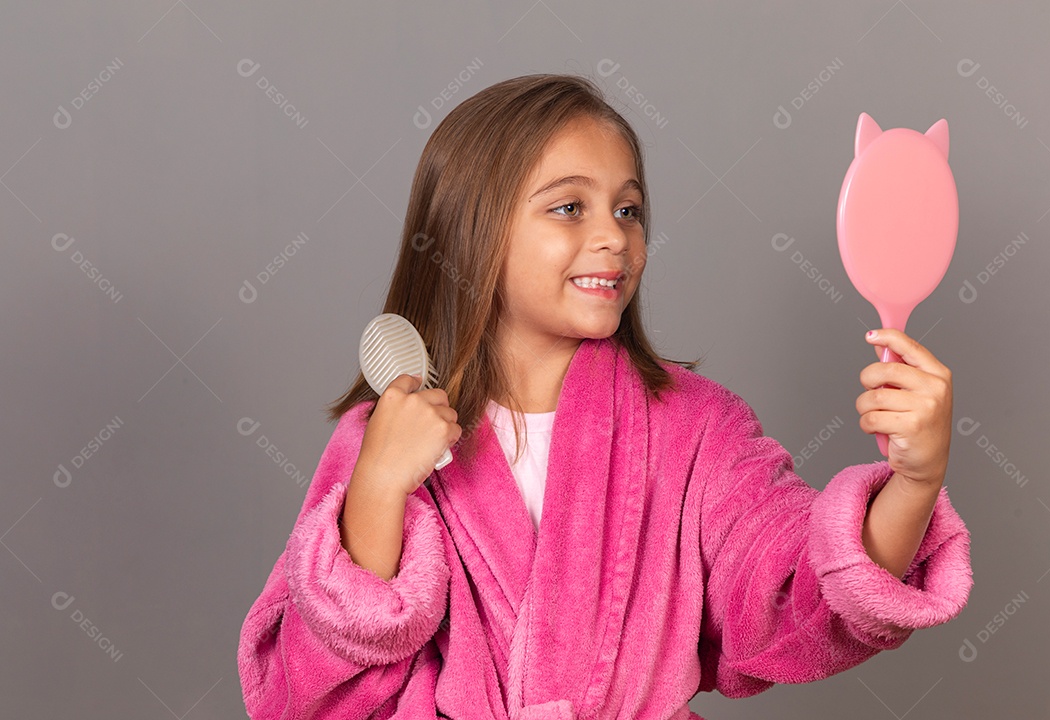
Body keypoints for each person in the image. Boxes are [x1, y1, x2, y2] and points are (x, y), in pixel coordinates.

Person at [237, 73, 972, 720]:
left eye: (627, 209)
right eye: (568, 209)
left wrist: (914, 482)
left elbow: (796, 600)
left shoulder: (696, 428)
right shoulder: (388, 438)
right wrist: (377, 486)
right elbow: (304, 698)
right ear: (470, 232)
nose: (614, 239)